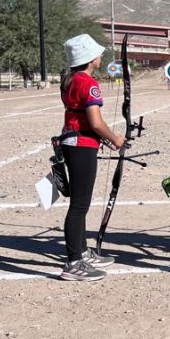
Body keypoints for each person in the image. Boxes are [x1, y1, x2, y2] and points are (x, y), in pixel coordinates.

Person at [56, 34, 126, 281]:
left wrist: (103, 138)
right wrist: (115, 138)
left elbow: (85, 120)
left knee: (79, 202)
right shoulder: (87, 83)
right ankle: (74, 263)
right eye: (97, 54)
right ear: (89, 59)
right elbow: (95, 121)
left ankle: (82, 252)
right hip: (81, 144)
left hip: (75, 140)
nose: (101, 56)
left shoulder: (70, 79)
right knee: (79, 205)